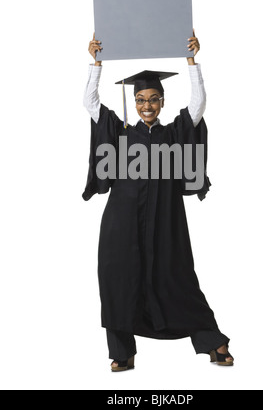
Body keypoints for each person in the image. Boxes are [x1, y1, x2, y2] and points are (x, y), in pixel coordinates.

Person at [82, 32, 234, 371]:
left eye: (153, 99)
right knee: (118, 280)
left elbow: (197, 106)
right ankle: (122, 352)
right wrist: (96, 63)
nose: (146, 105)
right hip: (121, 223)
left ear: (162, 102)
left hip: (166, 222)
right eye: (141, 99)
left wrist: (192, 62)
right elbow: (91, 105)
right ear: (134, 103)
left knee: (176, 276)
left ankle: (212, 341)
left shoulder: (174, 134)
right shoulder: (120, 132)